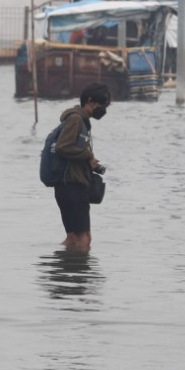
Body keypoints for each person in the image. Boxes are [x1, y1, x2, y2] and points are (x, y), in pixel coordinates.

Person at [53, 82, 111, 252]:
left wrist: (89, 162)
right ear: (90, 101)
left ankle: (64, 266)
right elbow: (62, 147)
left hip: (67, 185)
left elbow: (69, 148)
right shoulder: (76, 119)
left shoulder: (77, 120)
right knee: (84, 238)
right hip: (73, 185)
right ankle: (77, 268)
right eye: (102, 105)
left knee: (73, 238)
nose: (104, 110)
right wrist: (88, 156)